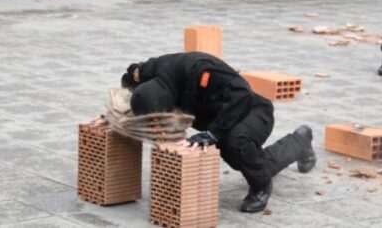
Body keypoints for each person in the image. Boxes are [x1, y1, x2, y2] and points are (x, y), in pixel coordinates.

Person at [121, 52, 316, 213]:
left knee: (235, 144)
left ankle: (261, 187)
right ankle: (300, 141)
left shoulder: (202, 70)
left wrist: (213, 134)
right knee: (244, 160)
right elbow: (131, 78)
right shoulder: (151, 72)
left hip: (250, 110)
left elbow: (242, 93)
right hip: (222, 117)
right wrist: (120, 113)